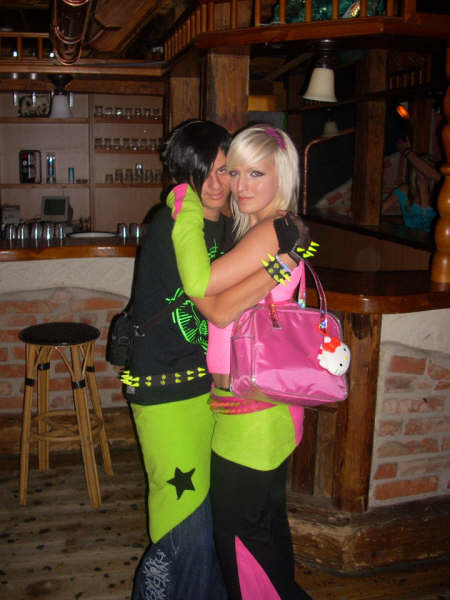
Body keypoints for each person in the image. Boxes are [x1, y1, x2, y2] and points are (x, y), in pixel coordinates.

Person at [124, 120, 310, 600]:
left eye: (230, 170)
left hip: (246, 403)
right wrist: (279, 266)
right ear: (179, 172)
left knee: (239, 530)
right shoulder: (179, 220)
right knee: (196, 521)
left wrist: (281, 265)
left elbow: (216, 303)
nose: (223, 183)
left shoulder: (256, 227)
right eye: (204, 171)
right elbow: (213, 300)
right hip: (175, 389)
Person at [382, 136, 441, 232]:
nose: (423, 171)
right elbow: (381, 209)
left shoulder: (438, 192)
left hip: (433, 239)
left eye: (427, 167)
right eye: (420, 167)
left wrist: (407, 151)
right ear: (415, 170)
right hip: (409, 237)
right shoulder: (404, 190)